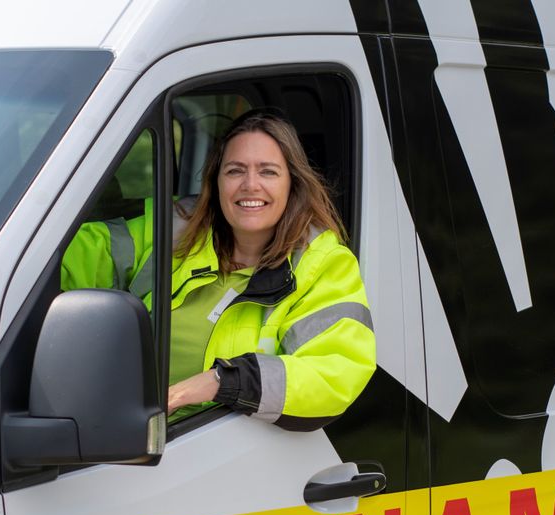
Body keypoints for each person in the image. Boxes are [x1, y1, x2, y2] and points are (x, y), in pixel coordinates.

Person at [62, 109, 376, 430]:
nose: (250, 185)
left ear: (292, 183)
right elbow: (64, 258)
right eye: (235, 170)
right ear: (216, 179)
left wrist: (221, 381)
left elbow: (335, 373)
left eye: (268, 172)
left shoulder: (321, 262)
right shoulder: (173, 229)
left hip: (214, 454)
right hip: (119, 434)